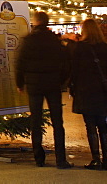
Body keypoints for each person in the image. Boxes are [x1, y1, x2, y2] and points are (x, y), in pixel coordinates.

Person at [16, 11, 72, 169]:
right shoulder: (55, 41)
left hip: (34, 85)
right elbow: (66, 63)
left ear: (35, 22)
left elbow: (20, 63)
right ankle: (61, 159)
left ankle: (38, 158)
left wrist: (20, 83)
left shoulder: (28, 41)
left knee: (36, 121)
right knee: (57, 122)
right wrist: (61, 80)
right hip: (52, 84)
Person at [68, 18, 107, 170]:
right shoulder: (105, 47)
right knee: (103, 125)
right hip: (101, 91)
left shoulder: (80, 48)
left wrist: (72, 87)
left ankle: (96, 159)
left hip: (85, 90)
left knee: (90, 126)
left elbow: (74, 70)